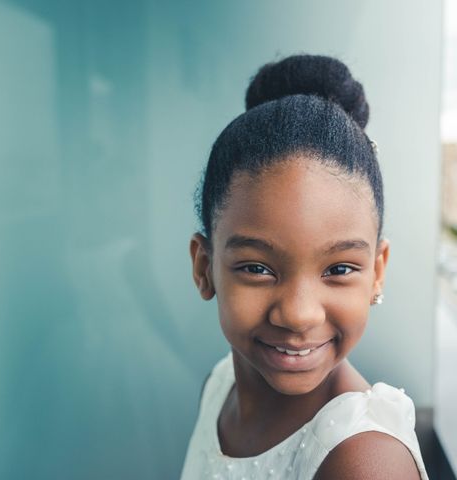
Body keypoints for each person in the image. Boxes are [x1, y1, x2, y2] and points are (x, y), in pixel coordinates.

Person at [181, 54, 429, 480]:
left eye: (339, 269)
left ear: (378, 271)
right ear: (204, 267)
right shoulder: (219, 385)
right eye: (258, 268)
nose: (298, 314)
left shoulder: (364, 462)